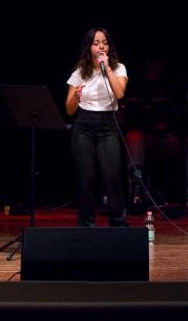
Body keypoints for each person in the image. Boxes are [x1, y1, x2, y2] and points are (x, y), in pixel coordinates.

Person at [123, 55, 188, 211]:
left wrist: (173, 132)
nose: (159, 66)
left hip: (168, 137)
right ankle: (136, 194)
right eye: (156, 62)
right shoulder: (136, 85)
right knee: (133, 138)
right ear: (148, 62)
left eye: (161, 62)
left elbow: (181, 114)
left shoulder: (171, 85)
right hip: (146, 136)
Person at [66, 27, 129, 227]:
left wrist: (107, 67)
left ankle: (118, 223)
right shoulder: (79, 72)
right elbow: (69, 109)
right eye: (96, 43)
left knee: (112, 176)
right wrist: (75, 96)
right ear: (89, 47)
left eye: (105, 42)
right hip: (83, 125)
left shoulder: (119, 68)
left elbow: (119, 94)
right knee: (86, 177)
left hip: (108, 125)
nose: (101, 46)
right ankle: (86, 225)